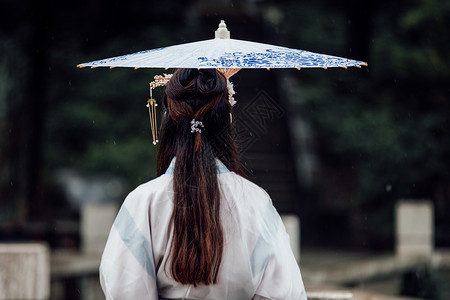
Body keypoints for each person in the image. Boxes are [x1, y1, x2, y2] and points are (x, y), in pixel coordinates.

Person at [99, 68, 307, 299]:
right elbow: (284, 291)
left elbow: (125, 289)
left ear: (167, 120)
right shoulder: (256, 201)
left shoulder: (142, 201)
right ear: (227, 121)